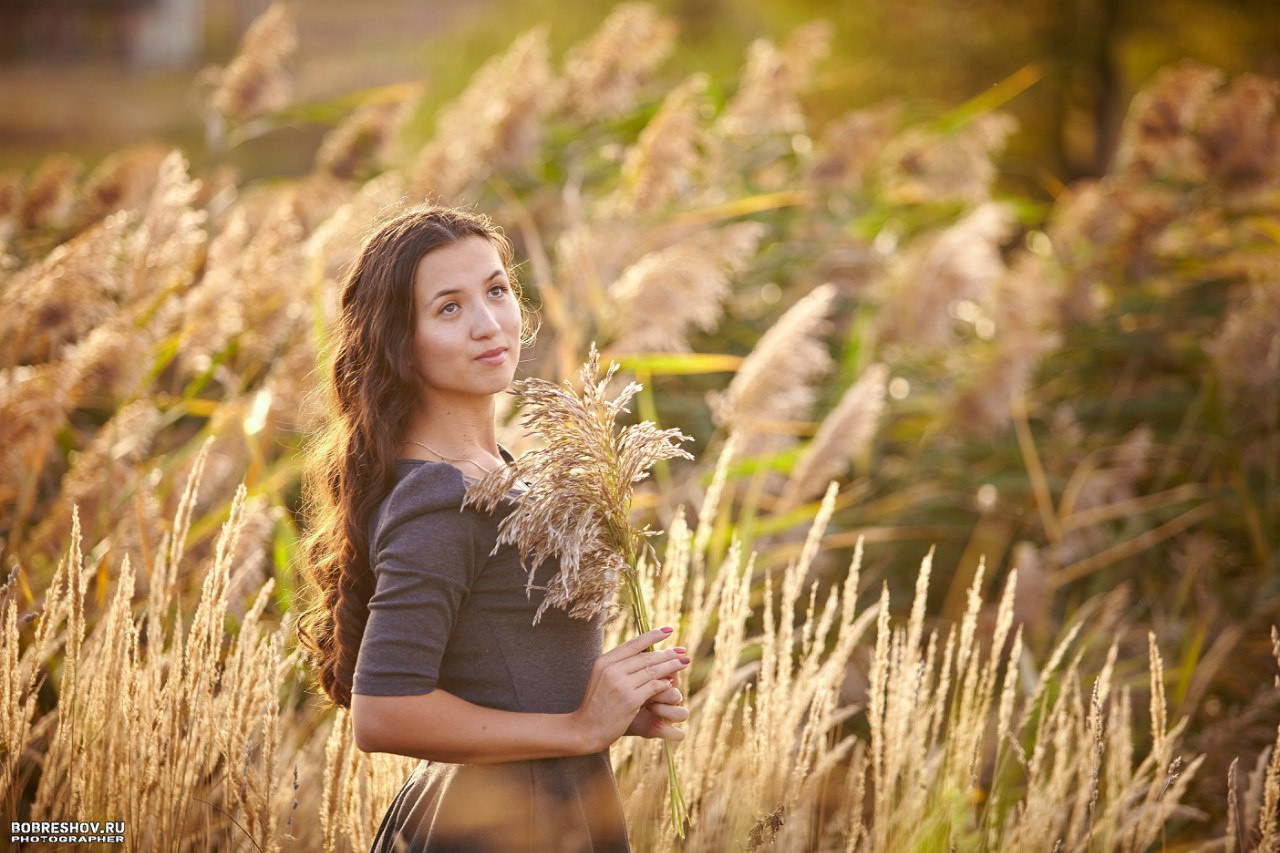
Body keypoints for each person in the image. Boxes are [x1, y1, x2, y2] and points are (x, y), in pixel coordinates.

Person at [295, 205, 691, 853]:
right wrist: (576, 727)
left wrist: (611, 710)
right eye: (449, 307)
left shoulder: (492, 471)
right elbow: (383, 712)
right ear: (400, 341)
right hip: (498, 824)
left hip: (539, 804)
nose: (488, 323)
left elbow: (498, 670)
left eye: (497, 290)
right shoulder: (439, 496)